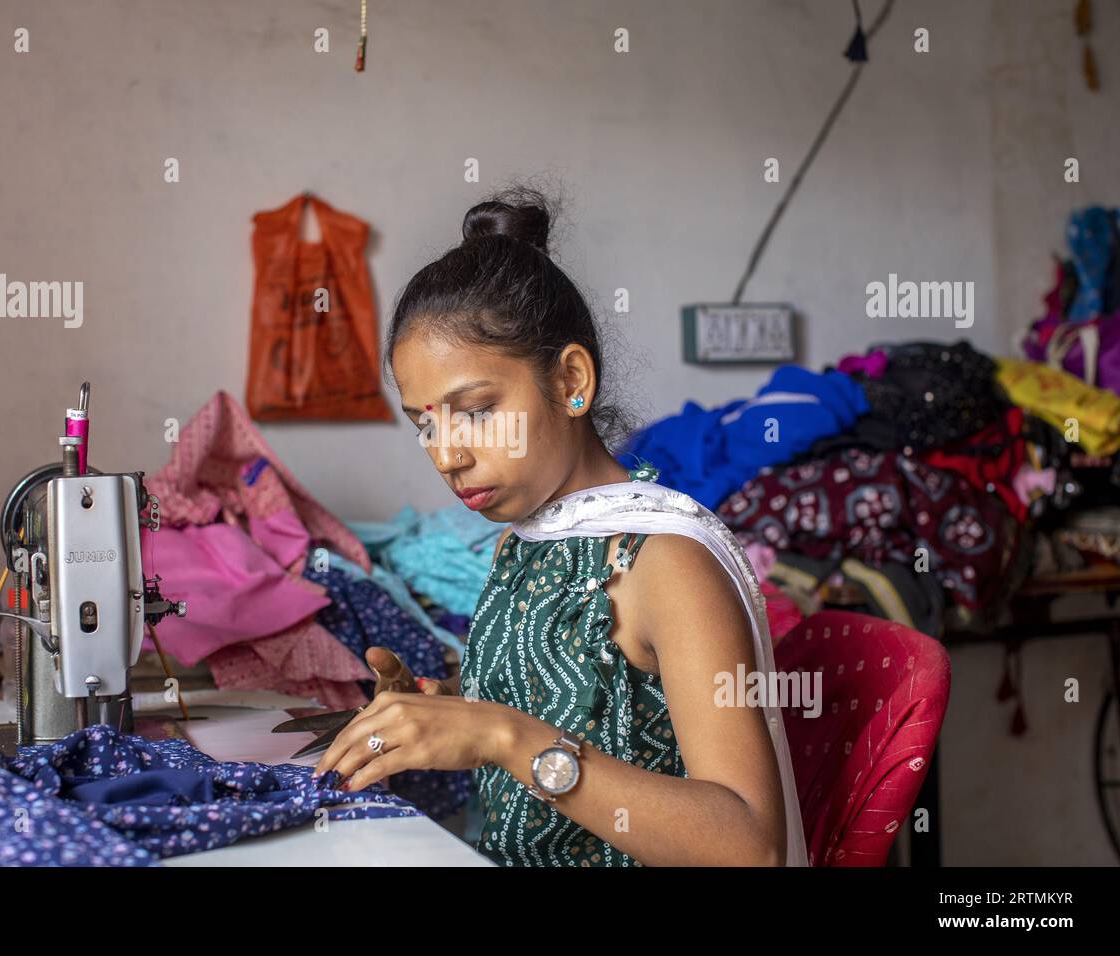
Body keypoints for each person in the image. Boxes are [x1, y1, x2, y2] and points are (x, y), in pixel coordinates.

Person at [313, 184, 808, 867]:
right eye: (425, 422)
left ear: (572, 380)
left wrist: (501, 736)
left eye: (476, 410)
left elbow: (749, 846)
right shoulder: (531, 543)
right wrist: (444, 713)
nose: (446, 454)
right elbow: (596, 713)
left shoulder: (663, 563)